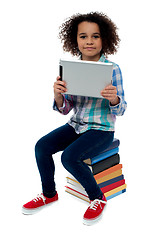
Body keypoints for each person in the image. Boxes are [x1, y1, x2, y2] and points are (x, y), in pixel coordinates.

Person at [22, 12, 127, 225]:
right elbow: (66, 109)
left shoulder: (113, 69)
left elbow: (122, 109)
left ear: (104, 39)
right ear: (75, 39)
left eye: (95, 36)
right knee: (41, 146)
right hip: (76, 125)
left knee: (69, 158)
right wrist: (58, 95)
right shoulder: (70, 68)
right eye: (83, 36)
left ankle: (97, 197)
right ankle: (49, 194)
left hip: (102, 129)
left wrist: (114, 98)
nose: (89, 41)